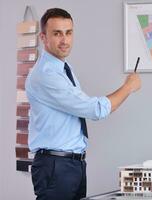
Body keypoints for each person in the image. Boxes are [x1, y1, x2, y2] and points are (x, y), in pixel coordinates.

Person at [25, 8, 141, 200]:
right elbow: (94, 109)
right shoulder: (47, 74)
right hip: (56, 166)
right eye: (57, 34)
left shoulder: (63, 68)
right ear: (43, 38)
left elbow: (81, 106)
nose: (64, 40)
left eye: (68, 33)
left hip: (71, 164)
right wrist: (128, 87)